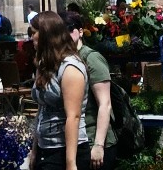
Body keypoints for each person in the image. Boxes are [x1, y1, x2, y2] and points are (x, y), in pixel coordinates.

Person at [29, 10, 90, 170]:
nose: (30, 37)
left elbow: (73, 116)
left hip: (66, 151)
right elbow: (41, 109)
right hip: (45, 147)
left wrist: (70, 163)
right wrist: (35, 149)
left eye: (33, 32)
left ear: (46, 35)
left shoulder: (70, 67)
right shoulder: (44, 65)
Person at [64, 12, 116, 170]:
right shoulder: (67, 59)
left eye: (69, 29)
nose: (64, 34)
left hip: (95, 140)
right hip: (80, 141)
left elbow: (105, 104)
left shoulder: (91, 58)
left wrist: (99, 145)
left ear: (80, 31)